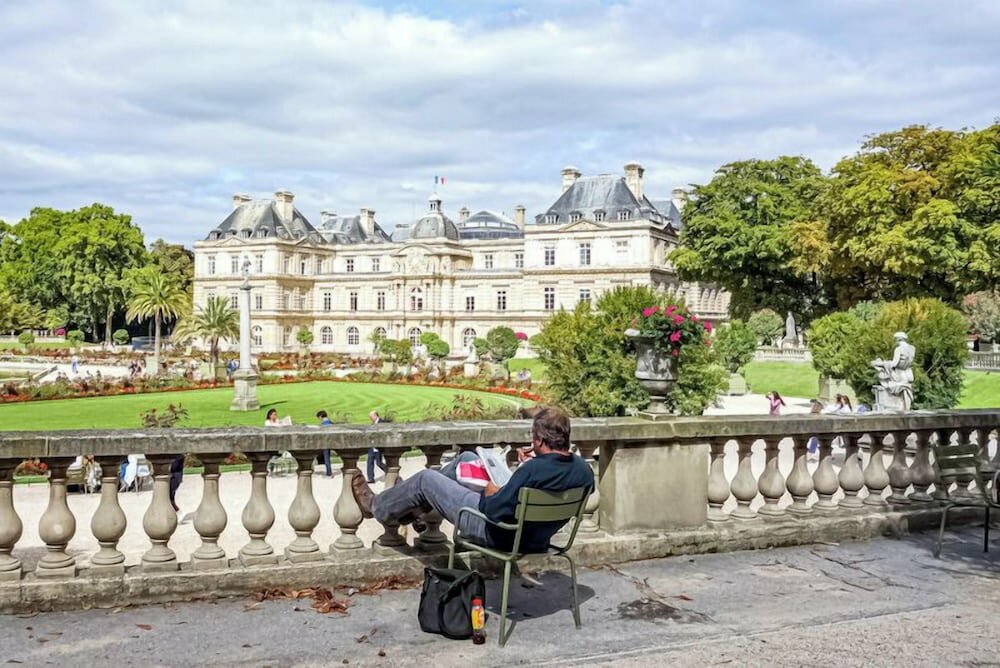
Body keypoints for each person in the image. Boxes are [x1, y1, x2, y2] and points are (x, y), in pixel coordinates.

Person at [351, 407, 593, 553]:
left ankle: (377, 507)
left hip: (498, 534)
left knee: (427, 479)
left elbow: (494, 509)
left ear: (539, 441)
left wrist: (490, 489)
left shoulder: (532, 471)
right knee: (467, 458)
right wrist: (527, 466)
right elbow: (550, 485)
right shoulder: (584, 471)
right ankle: (414, 513)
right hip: (538, 538)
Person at [366, 410, 387, 483]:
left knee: (379, 462)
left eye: (371, 417)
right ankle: (370, 478)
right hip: (372, 446)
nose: (370, 418)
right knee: (369, 461)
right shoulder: (372, 424)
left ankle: (389, 472)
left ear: (375, 416)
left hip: (378, 446)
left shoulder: (382, 423)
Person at [316, 410, 334, 477]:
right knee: (327, 457)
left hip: (325, 442)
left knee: (326, 458)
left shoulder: (323, 425)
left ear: (321, 416)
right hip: (331, 442)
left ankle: (329, 473)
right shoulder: (331, 423)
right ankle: (329, 472)